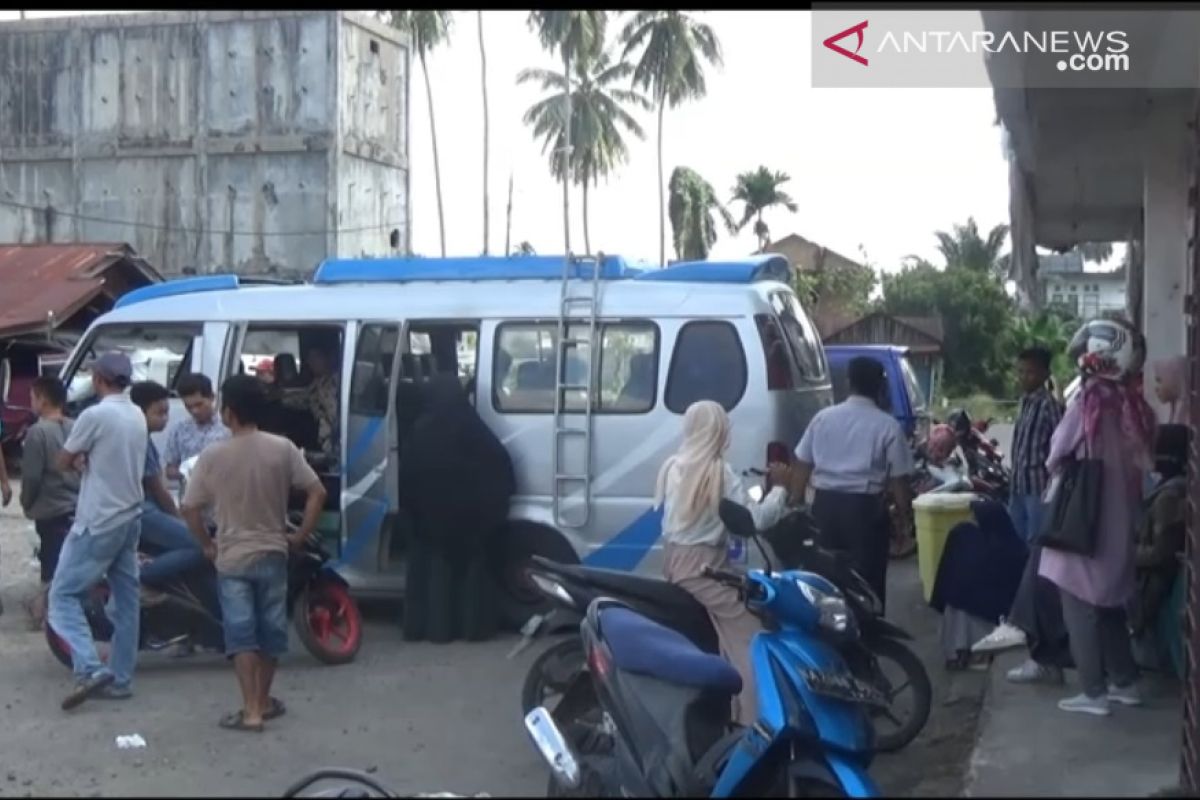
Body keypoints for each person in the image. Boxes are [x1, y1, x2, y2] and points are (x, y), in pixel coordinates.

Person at [181, 375, 326, 733]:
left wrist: (206, 544)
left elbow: (189, 507)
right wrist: (300, 535)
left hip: (231, 558)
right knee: (271, 632)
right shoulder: (283, 448)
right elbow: (317, 492)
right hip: (274, 553)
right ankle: (263, 701)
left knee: (241, 634)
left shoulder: (212, 456)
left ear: (228, 412)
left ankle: (251, 712)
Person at [1043, 317, 1156, 716]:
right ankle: (1125, 681)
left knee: (1077, 600)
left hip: (1087, 519)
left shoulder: (1089, 401)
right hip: (1122, 518)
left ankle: (1093, 691)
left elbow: (1056, 453)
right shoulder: (1134, 405)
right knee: (1109, 602)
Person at [655, 400, 792, 726]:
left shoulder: (675, 465)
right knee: (753, 636)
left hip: (676, 561)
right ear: (718, 431)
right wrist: (782, 489)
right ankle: (755, 721)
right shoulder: (718, 472)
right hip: (702, 568)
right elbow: (756, 519)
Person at [48, 352, 147, 709]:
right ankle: (120, 679)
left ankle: (91, 669)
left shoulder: (95, 414)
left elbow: (62, 461)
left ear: (100, 378)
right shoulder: (135, 413)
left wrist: (77, 460)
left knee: (61, 596)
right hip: (130, 516)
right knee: (127, 602)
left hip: (99, 519)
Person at [789, 356, 914, 611]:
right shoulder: (887, 426)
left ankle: (829, 639)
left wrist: (795, 503)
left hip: (824, 509)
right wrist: (905, 519)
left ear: (848, 383)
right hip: (865, 514)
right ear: (880, 387)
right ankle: (868, 639)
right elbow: (899, 482)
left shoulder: (823, 418)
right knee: (866, 584)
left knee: (824, 579)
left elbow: (802, 464)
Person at [398, 375, 516, 644]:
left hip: (430, 523)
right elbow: (502, 468)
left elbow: (408, 477)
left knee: (432, 573)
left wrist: (412, 515)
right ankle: (471, 629)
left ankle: (430, 630)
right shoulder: (474, 428)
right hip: (470, 522)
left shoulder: (420, 430)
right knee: (471, 574)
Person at [129, 381, 207, 593]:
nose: (165, 418)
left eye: (166, 412)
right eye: (159, 413)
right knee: (202, 546)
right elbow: (158, 488)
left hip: (145, 509)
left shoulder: (140, 438)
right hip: (143, 511)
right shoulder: (139, 440)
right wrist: (178, 518)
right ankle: (141, 573)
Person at [19, 377, 81, 630]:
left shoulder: (38, 432)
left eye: (32, 398)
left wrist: (26, 502)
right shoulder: (75, 426)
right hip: (76, 503)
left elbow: (31, 476)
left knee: (50, 561)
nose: (31, 403)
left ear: (43, 400)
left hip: (50, 507)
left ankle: (47, 615)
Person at [1128, 424, 1187, 654]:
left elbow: (1160, 554)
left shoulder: (1169, 497)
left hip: (1150, 594)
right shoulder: (1169, 488)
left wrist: (1126, 554)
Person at [1009, 347, 1064, 544]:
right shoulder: (1024, 402)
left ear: (1045, 374)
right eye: (1021, 372)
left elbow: (1061, 445)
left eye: (1030, 372)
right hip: (1018, 485)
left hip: (1038, 487)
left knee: (1036, 543)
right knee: (1016, 540)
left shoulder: (1049, 405)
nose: (1024, 377)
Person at [163, 373, 230, 481]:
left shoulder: (228, 428)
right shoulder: (179, 429)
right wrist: (187, 472)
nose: (195, 411)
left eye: (199, 404)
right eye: (189, 406)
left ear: (212, 397)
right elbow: (170, 470)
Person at [282, 344, 340, 461]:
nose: (310, 363)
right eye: (309, 359)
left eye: (315, 358)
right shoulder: (318, 382)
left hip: (334, 441)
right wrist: (278, 395)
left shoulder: (336, 382)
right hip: (324, 439)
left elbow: (334, 415)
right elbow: (303, 398)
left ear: (326, 358)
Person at [1151, 355, 1188, 425]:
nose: (1156, 388)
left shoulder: (1190, 419)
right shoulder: (1172, 415)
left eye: (1159, 381)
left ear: (1174, 380)